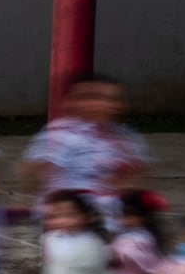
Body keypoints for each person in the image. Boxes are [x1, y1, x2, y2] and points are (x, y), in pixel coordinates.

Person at [20, 73, 147, 207]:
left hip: (112, 210)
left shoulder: (125, 136)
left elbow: (135, 175)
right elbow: (33, 171)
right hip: (69, 211)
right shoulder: (62, 133)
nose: (106, 105)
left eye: (113, 99)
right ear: (72, 102)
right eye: (94, 98)